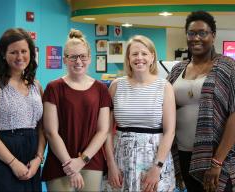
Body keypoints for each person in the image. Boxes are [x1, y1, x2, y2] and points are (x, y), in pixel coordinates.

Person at [167, 11, 235, 192]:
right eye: (191, 33)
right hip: (182, 153)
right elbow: (165, 107)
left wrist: (217, 161)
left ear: (213, 36)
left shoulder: (227, 67)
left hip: (214, 156)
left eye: (202, 33)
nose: (196, 38)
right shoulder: (177, 70)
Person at [42, 28, 112, 191]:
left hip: (91, 160)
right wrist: (69, 165)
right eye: (73, 57)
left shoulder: (101, 89)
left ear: (89, 58)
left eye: (82, 56)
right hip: (60, 161)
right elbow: (51, 132)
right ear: (65, 60)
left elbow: (103, 131)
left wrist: (81, 161)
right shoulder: (54, 88)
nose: (78, 61)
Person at [105, 35, 176, 192]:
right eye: (134, 54)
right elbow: (107, 131)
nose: (139, 58)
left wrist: (157, 167)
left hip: (154, 159)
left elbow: (170, 131)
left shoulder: (164, 87)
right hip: (120, 160)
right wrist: (111, 164)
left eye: (144, 53)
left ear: (152, 57)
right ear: (128, 58)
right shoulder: (116, 86)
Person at [0, 28, 46, 191]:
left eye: (24, 51)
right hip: (1, 157)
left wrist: (38, 158)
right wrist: (13, 163)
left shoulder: (36, 85)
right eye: (13, 52)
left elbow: (42, 126)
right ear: (3, 54)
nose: (20, 56)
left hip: (31, 158)